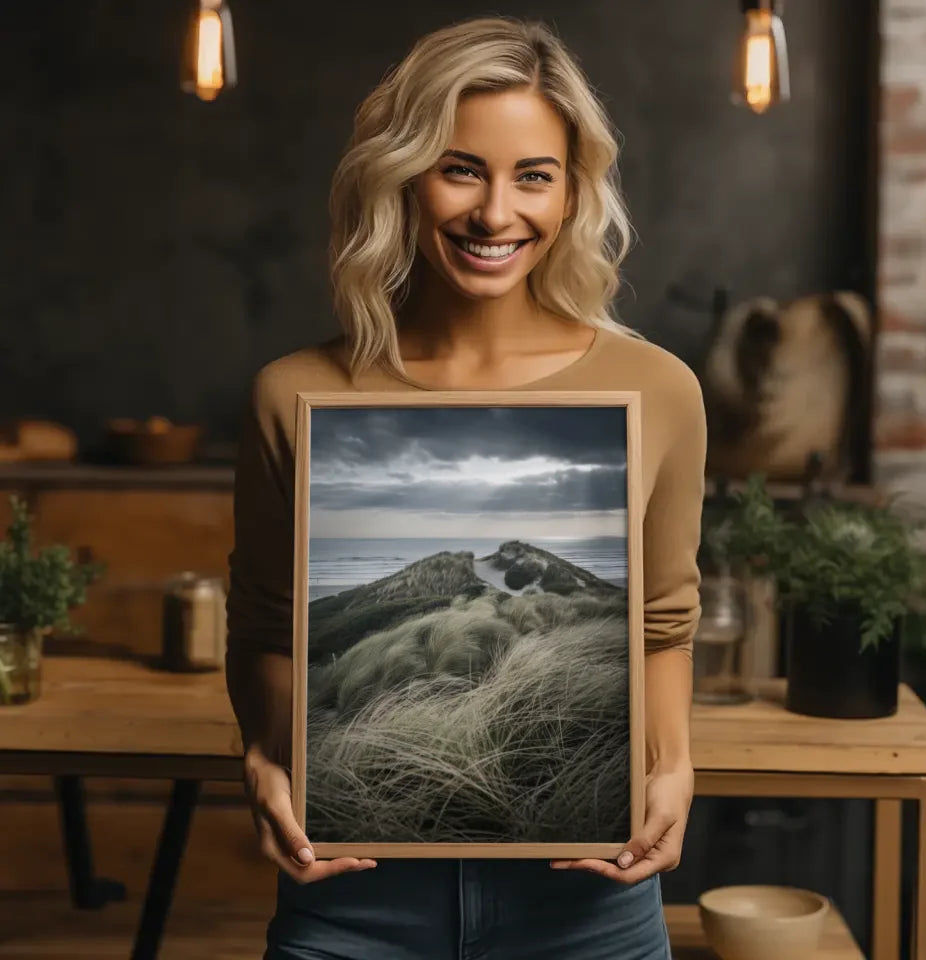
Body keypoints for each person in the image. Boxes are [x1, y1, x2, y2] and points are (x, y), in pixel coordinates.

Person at [226, 15, 705, 960]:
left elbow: (661, 624)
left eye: (534, 175)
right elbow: (263, 625)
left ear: (572, 195)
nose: (496, 215)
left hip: (587, 906)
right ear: (402, 178)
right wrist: (261, 755)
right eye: (460, 169)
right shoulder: (294, 393)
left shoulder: (660, 389)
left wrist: (675, 766)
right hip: (352, 902)